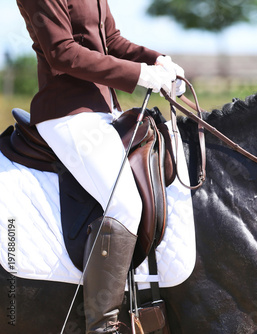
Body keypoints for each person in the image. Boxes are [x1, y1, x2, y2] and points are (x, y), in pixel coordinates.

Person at [16, 0, 184, 333]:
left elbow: (113, 41)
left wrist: (156, 60)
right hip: (67, 115)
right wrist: (139, 75)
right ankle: (103, 325)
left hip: (105, 113)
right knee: (124, 204)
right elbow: (62, 53)